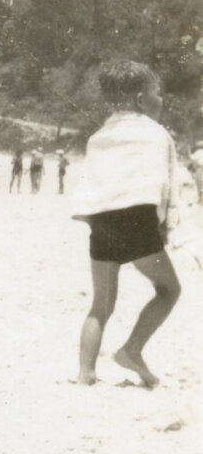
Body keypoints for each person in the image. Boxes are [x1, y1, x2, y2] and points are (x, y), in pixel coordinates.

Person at [71, 60, 181, 388]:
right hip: (137, 221)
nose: (161, 99)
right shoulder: (156, 134)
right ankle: (132, 349)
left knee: (101, 304)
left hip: (101, 223)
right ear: (139, 99)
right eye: (157, 93)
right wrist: (165, 226)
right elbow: (165, 184)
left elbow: (92, 184)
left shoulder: (99, 136)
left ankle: (85, 373)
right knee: (169, 290)